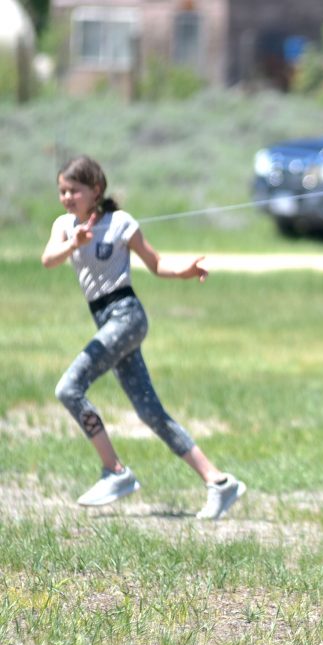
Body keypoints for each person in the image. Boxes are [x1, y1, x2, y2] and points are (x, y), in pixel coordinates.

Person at [41, 155, 246, 520]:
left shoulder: (120, 223)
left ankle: (116, 472)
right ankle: (219, 482)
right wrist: (75, 242)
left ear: (96, 190)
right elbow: (48, 260)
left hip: (126, 316)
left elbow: (155, 263)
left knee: (69, 388)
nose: (67, 197)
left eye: (74, 190)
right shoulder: (64, 225)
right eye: (62, 191)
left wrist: (184, 270)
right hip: (105, 319)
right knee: (151, 412)